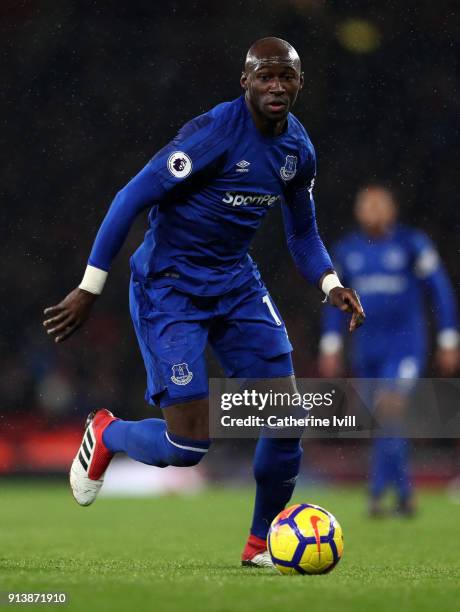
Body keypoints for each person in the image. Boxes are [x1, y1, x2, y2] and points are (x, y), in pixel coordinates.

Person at [43, 37, 364, 566]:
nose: (277, 86)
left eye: (287, 76)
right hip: (170, 287)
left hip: (235, 284)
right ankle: (108, 432)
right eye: (266, 76)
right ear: (246, 82)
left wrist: (331, 284)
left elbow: (302, 234)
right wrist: (89, 286)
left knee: (286, 419)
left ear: (300, 83)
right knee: (189, 446)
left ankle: (261, 545)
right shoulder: (213, 133)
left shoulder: (298, 151)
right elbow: (131, 197)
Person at [319, 184, 459, 516]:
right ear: (357, 211)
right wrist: (331, 345)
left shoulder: (412, 244)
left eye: (379, 204)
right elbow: (334, 301)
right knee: (382, 422)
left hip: (405, 347)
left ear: (392, 209)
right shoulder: (348, 250)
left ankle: (380, 493)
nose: (373, 210)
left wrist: (449, 338)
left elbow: (440, 290)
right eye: (366, 204)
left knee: (389, 410)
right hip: (366, 350)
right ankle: (402, 494)